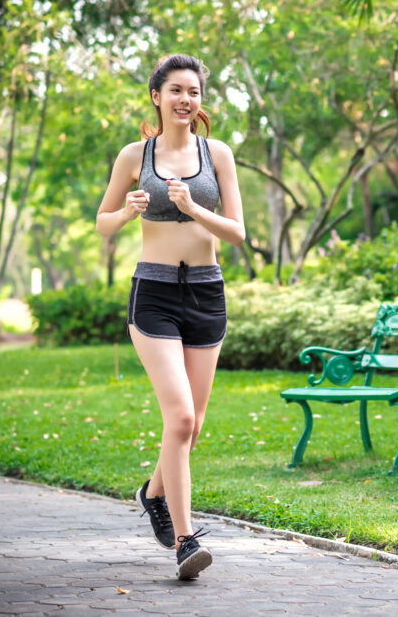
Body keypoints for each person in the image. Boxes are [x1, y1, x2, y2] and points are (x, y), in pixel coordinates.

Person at [96, 54, 245, 580]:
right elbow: (103, 223)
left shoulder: (218, 153)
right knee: (179, 418)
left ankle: (152, 492)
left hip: (206, 292)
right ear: (157, 96)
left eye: (195, 92)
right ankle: (186, 541)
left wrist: (193, 205)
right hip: (154, 294)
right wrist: (131, 209)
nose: (187, 99)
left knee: (194, 426)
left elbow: (237, 233)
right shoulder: (134, 155)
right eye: (176, 90)